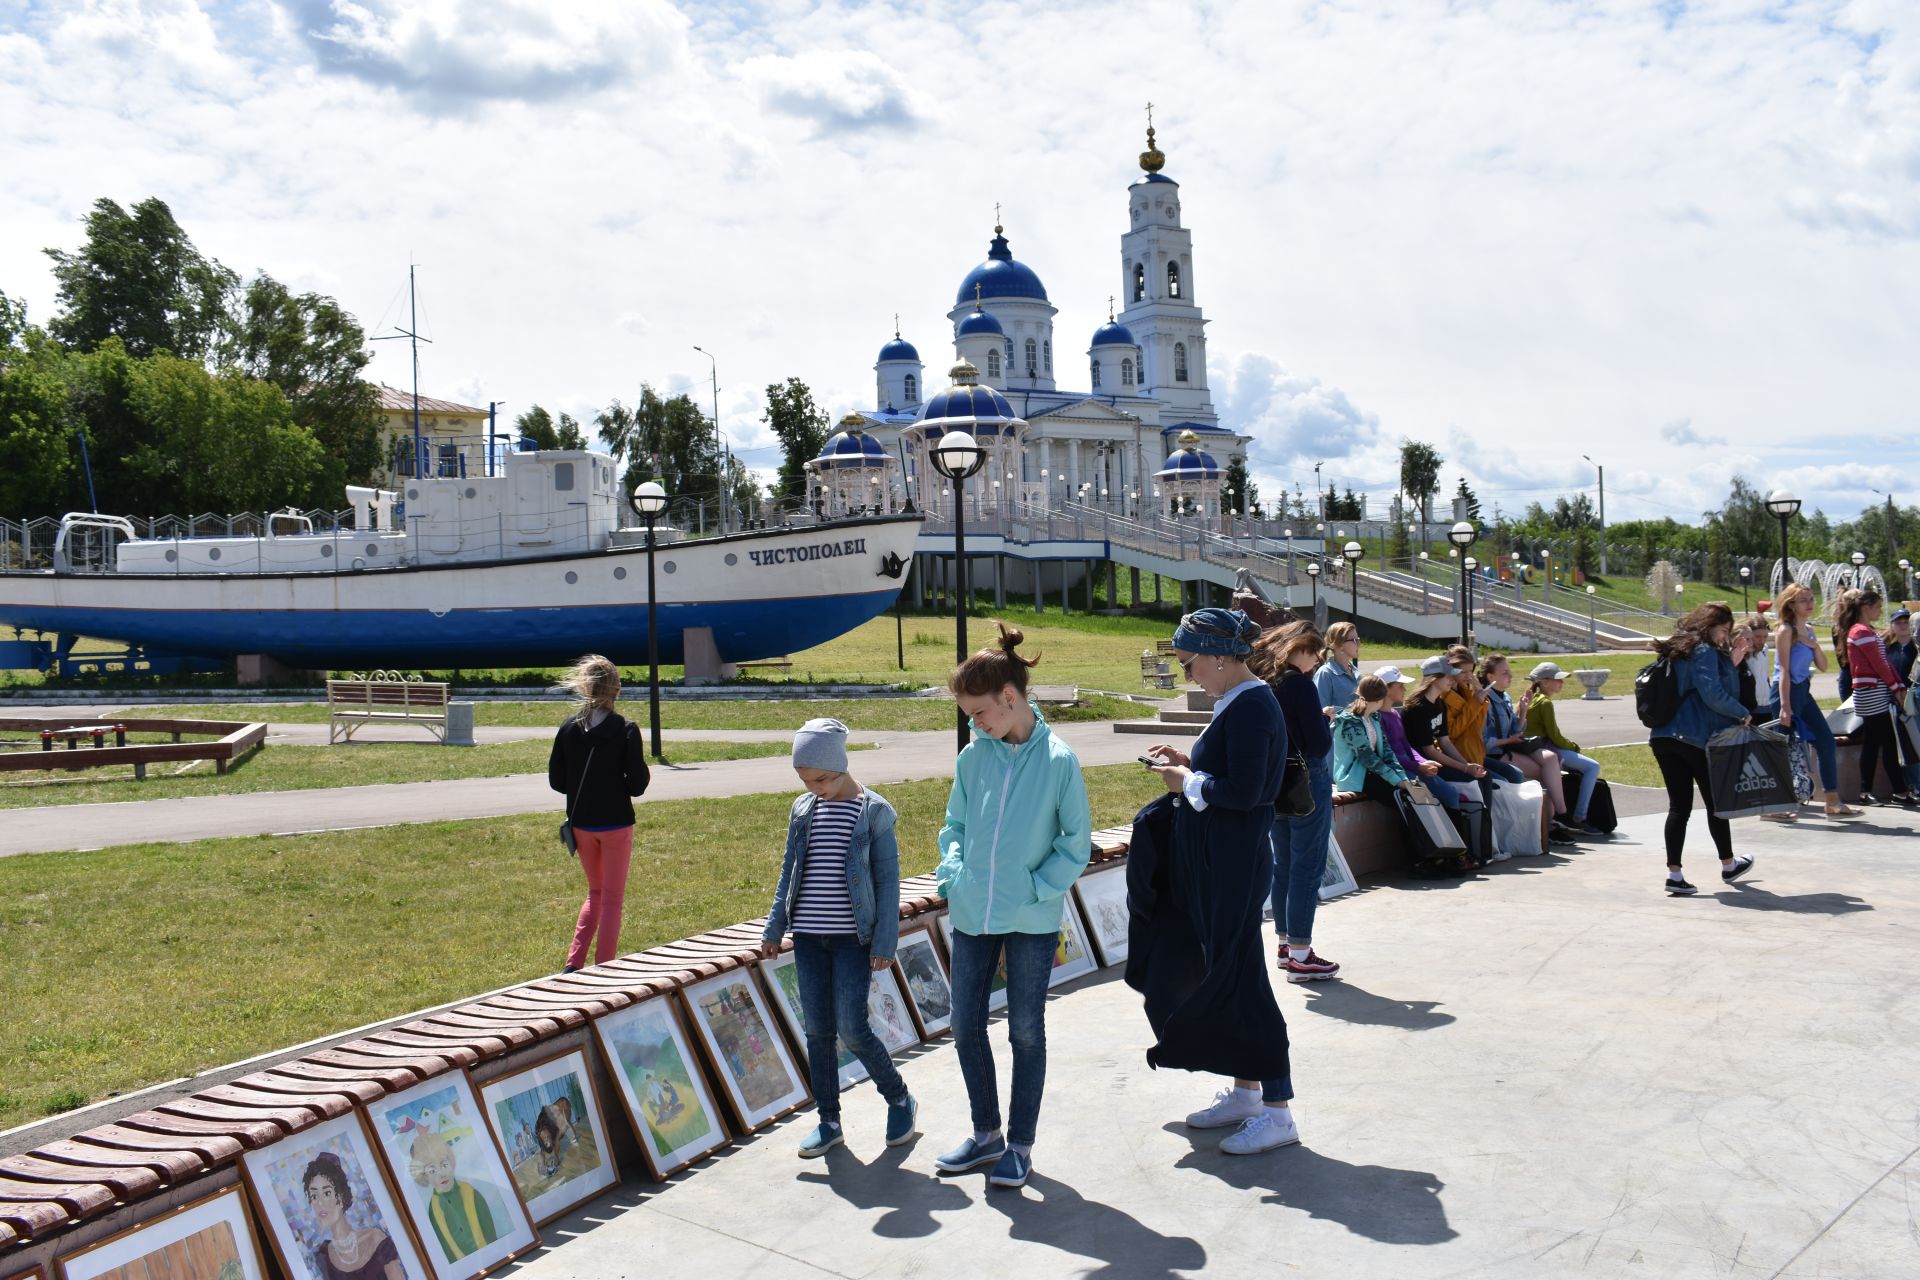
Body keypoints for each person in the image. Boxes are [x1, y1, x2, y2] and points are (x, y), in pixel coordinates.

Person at [933, 624, 1091, 1189]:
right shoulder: (974, 759)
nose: (973, 725)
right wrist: (954, 872)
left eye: (978, 713)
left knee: (1026, 1029)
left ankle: (1020, 1145)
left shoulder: (1059, 760)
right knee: (964, 1023)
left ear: (1009, 697)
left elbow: (1076, 844)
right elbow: (954, 825)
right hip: (973, 914)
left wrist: (1033, 890)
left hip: (1030, 918)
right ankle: (985, 1136)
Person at [1138, 609, 1300, 1155]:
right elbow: (1231, 774)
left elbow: (1250, 790)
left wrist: (1188, 780)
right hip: (1219, 860)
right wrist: (1191, 765)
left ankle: (1277, 1111)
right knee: (1227, 974)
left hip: (1233, 862)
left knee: (1244, 979)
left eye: (1189, 664)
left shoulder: (1252, 703)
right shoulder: (1239, 701)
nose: (1188, 675)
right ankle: (1247, 1092)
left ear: (1221, 656)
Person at [760, 718, 919, 1158]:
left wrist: (886, 942)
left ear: (842, 765)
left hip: (853, 942)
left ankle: (900, 1097)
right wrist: (774, 928)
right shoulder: (804, 810)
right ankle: (829, 1121)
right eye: (805, 780)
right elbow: (788, 873)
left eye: (822, 779)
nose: (814, 787)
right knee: (817, 1031)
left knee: (852, 1027)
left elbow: (889, 883)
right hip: (809, 939)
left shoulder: (873, 813)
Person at [547, 655, 651, 972]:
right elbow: (638, 785)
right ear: (617, 690)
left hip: (582, 824)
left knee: (595, 892)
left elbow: (557, 780)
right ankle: (604, 966)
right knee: (612, 898)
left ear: (584, 688)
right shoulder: (625, 730)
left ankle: (573, 963)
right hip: (616, 823)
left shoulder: (569, 728)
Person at [1249, 620, 1339, 982]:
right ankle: (1301, 952)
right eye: (1314, 652)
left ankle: (1286, 945)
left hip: (1274, 782)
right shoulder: (1299, 685)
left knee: (1283, 863)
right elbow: (1318, 744)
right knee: (1307, 866)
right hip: (1307, 779)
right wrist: (1322, 719)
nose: (1317, 661)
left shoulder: (1264, 683)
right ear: (1297, 649)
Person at [1648, 602, 1755, 896]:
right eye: (1723, 630)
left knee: (1679, 807)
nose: (1725, 636)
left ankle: (1675, 874)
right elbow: (1713, 694)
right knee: (1716, 803)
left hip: (1664, 737)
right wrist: (1740, 711)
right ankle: (1728, 863)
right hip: (1693, 738)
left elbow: (1698, 687)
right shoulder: (1704, 650)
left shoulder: (1679, 647)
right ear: (1711, 626)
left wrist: (1730, 662)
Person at [1774, 585, 1859, 819]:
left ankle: (1832, 801)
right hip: (1786, 691)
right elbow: (1782, 670)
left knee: (1825, 741)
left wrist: (1812, 644)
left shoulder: (1809, 630)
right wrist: (1784, 705)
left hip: (1803, 690)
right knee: (1782, 748)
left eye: (1811, 599)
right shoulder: (1785, 631)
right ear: (1791, 604)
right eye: (1803, 600)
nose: (1809, 604)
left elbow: (1823, 665)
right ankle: (1775, 804)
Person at [1402, 655, 1495, 862]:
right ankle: (1458, 852)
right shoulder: (1418, 708)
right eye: (1448, 677)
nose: (1453, 680)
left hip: (1435, 762)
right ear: (1434, 678)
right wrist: (1464, 769)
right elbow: (1429, 750)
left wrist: (1467, 764)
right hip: (1421, 765)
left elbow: (1445, 742)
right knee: (1452, 794)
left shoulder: (1438, 704)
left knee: (1482, 778)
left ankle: (1481, 844)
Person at [1480, 653, 1578, 843]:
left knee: (1550, 758)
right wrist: (1508, 741)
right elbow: (1483, 741)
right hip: (1497, 752)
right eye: (1505, 673)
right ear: (1490, 677)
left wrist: (1523, 711)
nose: (1510, 676)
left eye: (1509, 671)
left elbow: (1515, 728)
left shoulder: (1505, 697)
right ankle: (1552, 823)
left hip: (1513, 746)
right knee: (1544, 774)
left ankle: (1560, 814)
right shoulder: (1485, 701)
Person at [1838, 588, 1912, 804]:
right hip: (1872, 693)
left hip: (1874, 692)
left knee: (1876, 742)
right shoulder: (1860, 631)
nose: (1880, 611)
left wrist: (1896, 685)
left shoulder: (1864, 630)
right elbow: (1879, 664)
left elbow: (1883, 661)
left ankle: (1870, 791)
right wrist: (1897, 687)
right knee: (1886, 742)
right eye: (1878, 607)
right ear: (1866, 607)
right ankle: (1898, 791)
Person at [1522, 662, 1605, 832]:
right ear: (1545, 682)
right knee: (1592, 767)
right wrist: (1573, 746)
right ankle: (1579, 817)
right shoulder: (1545, 703)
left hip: (1535, 748)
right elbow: (1555, 737)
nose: (1562, 683)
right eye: (1558, 680)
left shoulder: (1533, 699)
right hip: (1547, 747)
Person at [304, 1152, 403, 1280]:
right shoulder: (322, 1257)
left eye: (327, 1193)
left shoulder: (375, 1239)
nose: (320, 1202)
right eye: (314, 1196)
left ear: (341, 1195)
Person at [1885, 608, 1920, 798]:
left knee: (1916, 743)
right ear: (1892, 625)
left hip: (1913, 701)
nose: (1903, 625)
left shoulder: (1916, 649)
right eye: (1898, 622)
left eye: (1906, 621)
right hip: (1895, 704)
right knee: (1905, 747)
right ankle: (1912, 784)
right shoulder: (1889, 649)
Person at [1312, 622, 1361, 720]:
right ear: (1340, 645)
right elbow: (1320, 713)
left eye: (1358, 639)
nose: (1358, 644)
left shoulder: (1356, 672)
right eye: (1354, 640)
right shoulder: (1325, 674)